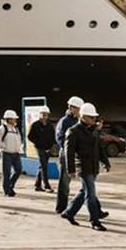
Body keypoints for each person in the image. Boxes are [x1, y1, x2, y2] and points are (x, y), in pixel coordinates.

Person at [62, 102, 110, 231]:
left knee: (84, 191)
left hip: (93, 166)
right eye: (91, 117)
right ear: (82, 116)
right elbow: (69, 152)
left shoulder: (94, 130)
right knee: (91, 194)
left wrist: (105, 162)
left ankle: (69, 212)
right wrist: (70, 169)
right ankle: (95, 221)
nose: (94, 120)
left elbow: (99, 147)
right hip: (82, 167)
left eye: (95, 118)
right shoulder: (73, 131)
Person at [55, 96, 84, 213]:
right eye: (78, 108)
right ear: (71, 108)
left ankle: (96, 209)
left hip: (77, 155)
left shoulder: (78, 121)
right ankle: (61, 208)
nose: (79, 111)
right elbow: (60, 138)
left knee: (86, 184)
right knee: (64, 184)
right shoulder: (65, 121)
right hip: (66, 155)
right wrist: (70, 150)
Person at [0, 110, 24, 197]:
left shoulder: (16, 129)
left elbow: (19, 139)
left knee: (18, 170)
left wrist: (19, 147)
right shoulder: (2, 128)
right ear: (9, 119)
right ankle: (7, 190)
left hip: (16, 154)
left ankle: (10, 185)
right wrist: (3, 146)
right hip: (6, 154)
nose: (15, 120)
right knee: (6, 172)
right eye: (14, 118)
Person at [28, 106, 56, 192]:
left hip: (47, 148)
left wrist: (51, 145)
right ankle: (46, 185)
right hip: (39, 148)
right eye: (43, 114)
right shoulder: (35, 125)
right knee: (44, 166)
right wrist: (37, 142)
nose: (44, 116)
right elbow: (30, 136)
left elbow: (52, 136)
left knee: (42, 166)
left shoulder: (49, 126)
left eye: (46, 114)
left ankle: (37, 185)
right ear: (40, 114)